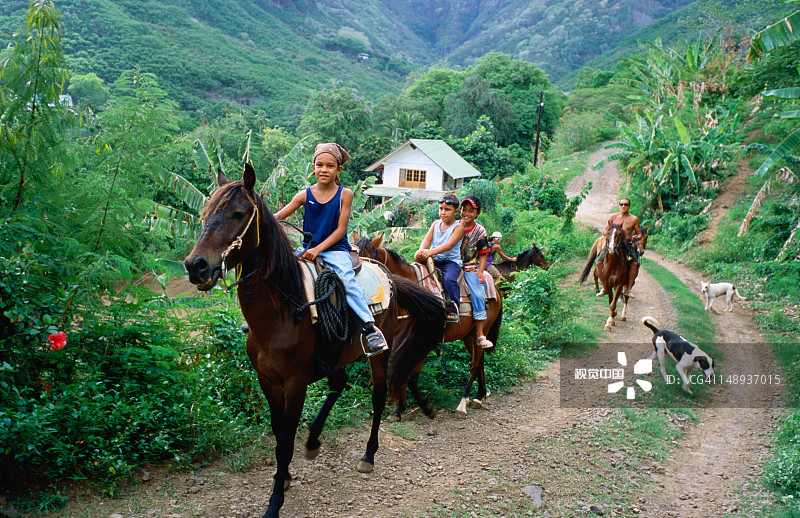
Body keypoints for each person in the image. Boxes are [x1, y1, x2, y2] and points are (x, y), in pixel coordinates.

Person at [273, 142, 388, 356]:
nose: (324, 170)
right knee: (280, 273)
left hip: (335, 250)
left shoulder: (345, 194)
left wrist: (317, 250)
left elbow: (340, 230)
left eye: (330, 166)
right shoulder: (304, 194)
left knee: (346, 280)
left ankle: (370, 328)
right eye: (319, 165)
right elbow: (277, 217)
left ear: (338, 170)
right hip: (306, 248)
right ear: (313, 167)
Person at [414, 193, 464, 321]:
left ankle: (453, 308)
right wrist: (421, 251)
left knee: (449, 280)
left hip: (450, 262)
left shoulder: (458, 227)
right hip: (434, 260)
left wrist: (430, 252)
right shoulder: (436, 224)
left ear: (456, 212)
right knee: (415, 273)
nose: (443, 212)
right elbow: (426, 240)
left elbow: (449, 245)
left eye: (447, 210)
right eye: (441, 209)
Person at [458, 195, 493, 349]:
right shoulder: (454, 225)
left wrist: (480, 271)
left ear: (477, 213)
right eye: (464, 210)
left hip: (469, 266)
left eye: (471, 211)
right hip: (451, 265)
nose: (467, 213)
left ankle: (480, 333)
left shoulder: (479, 231)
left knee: (477, 294)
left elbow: (483, 253)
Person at [596, 197, 642, 296]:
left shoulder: (634, 219)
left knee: (634, 263)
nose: (623, 206)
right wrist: (609, 235)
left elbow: (639, 233)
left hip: (627, 244)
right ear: (619, 206)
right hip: (613, 243)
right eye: (621, 204)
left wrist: (635, 237)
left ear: (629, 206)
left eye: (626, 204)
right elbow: (605, 231)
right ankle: (604, 287)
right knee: (599, 262)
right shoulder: (613, 217)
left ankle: (628, 289)